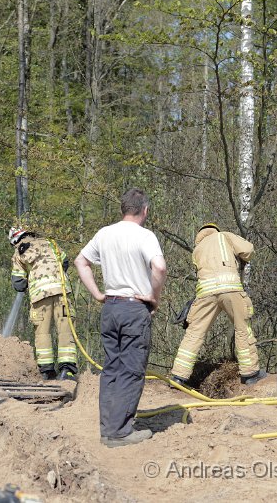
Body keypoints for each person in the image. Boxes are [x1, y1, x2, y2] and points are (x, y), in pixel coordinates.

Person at [74, 188, 167, 448]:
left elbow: (81, 261)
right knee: (131, 369)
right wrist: (153, 296)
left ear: (123, 209)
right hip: (134, 308)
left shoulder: (104, 234)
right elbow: (159, 267)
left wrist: (98, 294)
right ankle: (120, 432)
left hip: (111, 308)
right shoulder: (145, 236)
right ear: (145, 210)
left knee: (111, 368)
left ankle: (108, 429)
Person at [170, 223, 266, 387]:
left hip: (205, 293)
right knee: (242, 329)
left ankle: (178, 377)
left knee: (194, 334)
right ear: (215, 230)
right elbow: (248, 249)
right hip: (230, 288)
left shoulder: (197, 250)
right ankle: (250, 374)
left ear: (199, 236)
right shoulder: (225, 236)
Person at [9, 227, 78, 381]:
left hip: (40, 298)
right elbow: (65, 262)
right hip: (62, 294)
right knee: (66, 330)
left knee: (42, 332)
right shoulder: (51, 243)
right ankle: (67, 371)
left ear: (15, 239)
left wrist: (30, 278)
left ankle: (47, 372)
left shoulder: (19, 250)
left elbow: (18, 283)